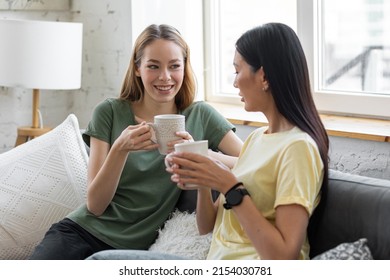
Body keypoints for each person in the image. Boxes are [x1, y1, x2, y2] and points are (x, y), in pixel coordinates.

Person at [87, 22, 328, 261]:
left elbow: (284, 258)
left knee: (101, 262)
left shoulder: (298, 147)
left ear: (263, 76)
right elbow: (206, 226)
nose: (234, 82)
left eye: (237, 70)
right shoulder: (257, 139)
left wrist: (229, 186)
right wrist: (203, 178)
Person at [29, 24, 242, 260]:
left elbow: (251, 158)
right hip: (79, 234)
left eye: (174, 66)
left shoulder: (199, 115)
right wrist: (120, 149)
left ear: (184, 68)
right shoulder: (109, 112)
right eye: (153, 66)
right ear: (138, 68)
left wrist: (201, 153)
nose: (165, 77)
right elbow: (95, 205)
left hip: (130, 252)